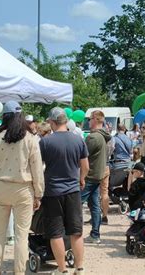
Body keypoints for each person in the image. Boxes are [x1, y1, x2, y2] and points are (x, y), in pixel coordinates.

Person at [0, 101, 44, 275]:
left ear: (4, 116)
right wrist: (38, 194)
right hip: (23, 189)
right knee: (21, 236)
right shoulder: (30, 139)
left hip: (0, 187)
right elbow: (37, 169)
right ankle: (19, 272)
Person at [41, 107, 89, 275]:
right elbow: (85, 166)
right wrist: (81, 178)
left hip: (53, 191)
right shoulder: (78, 139)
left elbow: (39, 167)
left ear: (53, 122)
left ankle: (62, 270)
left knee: (56, 233)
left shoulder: (45, 141)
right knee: (76, 232)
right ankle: (80, 267)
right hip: (73, 190)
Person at [81, 110, 111, 244]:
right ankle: (95, 234)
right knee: (94, 206)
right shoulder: (103, 136)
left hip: (89, 176)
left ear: (96, 119)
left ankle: (69, 234)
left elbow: (82, 157)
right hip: (98, 175)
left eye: (90, 118)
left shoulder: (93, 137)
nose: (88, 121)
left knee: (75, 204)